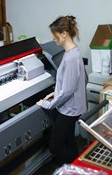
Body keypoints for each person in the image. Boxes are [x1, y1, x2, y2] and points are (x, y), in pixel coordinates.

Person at [36, 15, 87, 163]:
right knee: (70, 142)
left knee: (55, 147)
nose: (53, 39)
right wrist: (54, 93)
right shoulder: (72, 52)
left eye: (55, 35)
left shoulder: (71, 58)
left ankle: (77, 167)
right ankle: (75, 168)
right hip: (72, 107)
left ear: (64, 34)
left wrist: (47, 104)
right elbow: (68, 84)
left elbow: (67, 91)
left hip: (69, 110)